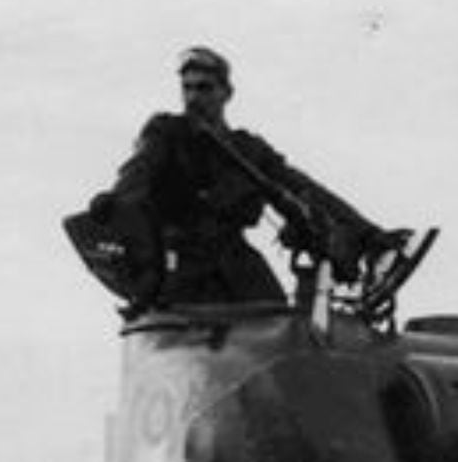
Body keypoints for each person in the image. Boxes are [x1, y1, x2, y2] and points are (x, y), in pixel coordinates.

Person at [88, 46, 403, 308]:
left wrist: (367, 233)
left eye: (204, 87)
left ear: (227, 93)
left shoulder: (248, 150)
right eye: (188, 87)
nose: (193, 97)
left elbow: (304, 188)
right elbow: (138, 171)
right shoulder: (167, 133)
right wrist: (114, 200)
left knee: (278, 324)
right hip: (183, 264)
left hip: (234, 260)